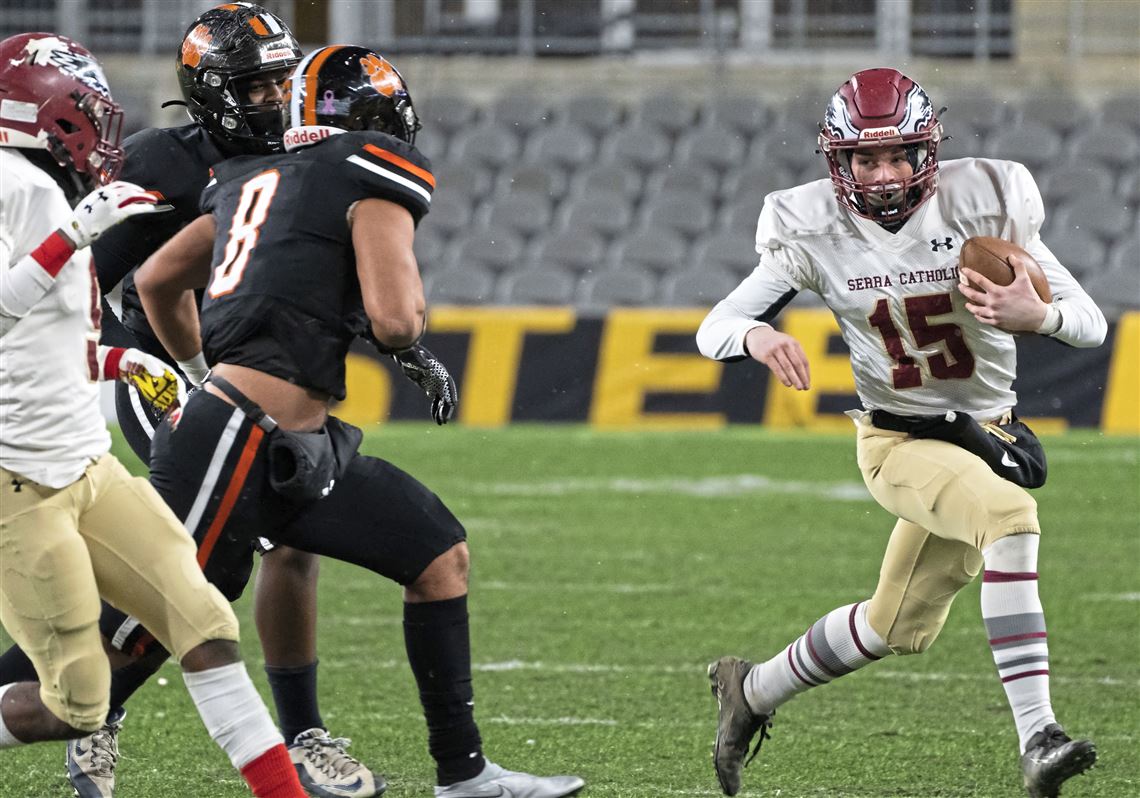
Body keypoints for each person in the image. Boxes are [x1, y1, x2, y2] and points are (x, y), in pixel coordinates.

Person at [129, 44, 585, 798]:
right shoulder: (364, 165)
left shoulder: (259, 172)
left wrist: (200, 370)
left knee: (437, 553)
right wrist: (403, 342)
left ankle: (462, 774)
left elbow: (157, 278)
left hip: (286, 440)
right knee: (129, 641)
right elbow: (397, 317)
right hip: (236, 436)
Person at [0, 6, 385, 797]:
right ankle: (91, 715)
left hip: (219, 378)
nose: (278, 97)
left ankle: (300, 737)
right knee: (203, 549)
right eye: (258, 84)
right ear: (211, 90)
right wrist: (149, 360)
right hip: (163, 365)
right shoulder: (150, 163)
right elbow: (79, 287)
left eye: (285, 79)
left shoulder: (305, 155)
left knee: (253, 567)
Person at [697, 68, 1106, 798]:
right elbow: (716, 325)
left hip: (987, 434)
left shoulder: (986, 202)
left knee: (897, 624)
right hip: (901, 440)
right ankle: (1039, 737)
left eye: (897, 156)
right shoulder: (810, 224)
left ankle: (750, 690)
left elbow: (1089, 321)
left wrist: (1035, 314)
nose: (882, 174)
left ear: (928, 153)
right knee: (1011, 518)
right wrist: (754, 338)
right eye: (865, 159)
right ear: (838, 162)